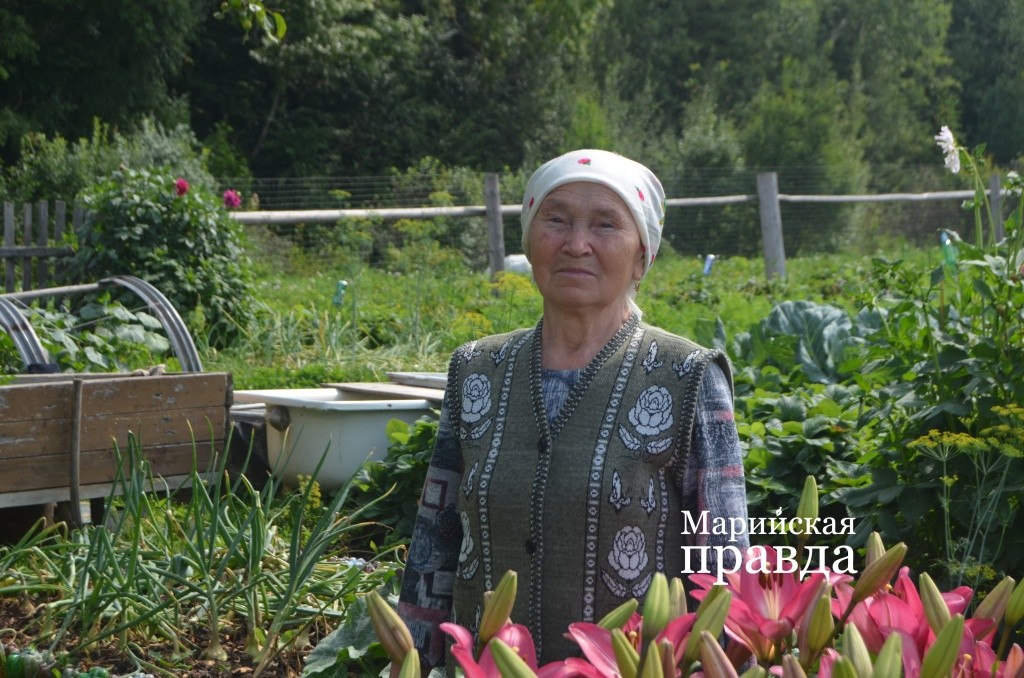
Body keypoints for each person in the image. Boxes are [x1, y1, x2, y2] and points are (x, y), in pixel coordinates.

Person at [397, 149, 749, 669]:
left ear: (641, 256)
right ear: (530, 240)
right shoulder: (475, 371)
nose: (576, 244)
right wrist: (416, 659)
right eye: (556, 220)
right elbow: (435, 538)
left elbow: (723, 556)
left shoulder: (687, 375)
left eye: (606, 224)